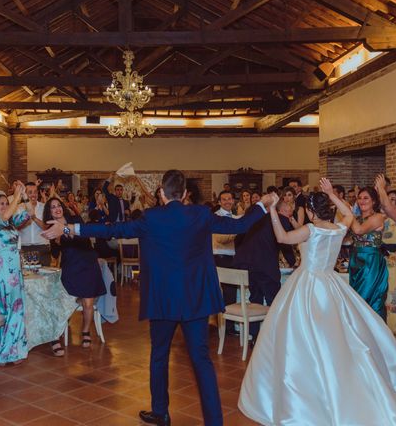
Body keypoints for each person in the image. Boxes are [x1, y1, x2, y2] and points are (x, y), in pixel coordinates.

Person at [43, 170, 272, 426]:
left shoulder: (150, 218)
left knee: (160, 354)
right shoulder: (200, 214)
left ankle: (161, 412)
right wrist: (262, 204)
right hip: (195, 299)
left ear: (162, 193)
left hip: (163, 299)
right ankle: (214, 421)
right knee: (201, 360)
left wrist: (71, 227)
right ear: (184, 194)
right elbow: (240, 224)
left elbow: (113, 230)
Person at [239, 178, 396, 426]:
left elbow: (281, 237)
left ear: (311, 211)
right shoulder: (338, 228)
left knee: (299, 334)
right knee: (336, 335)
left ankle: (309, 388)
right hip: (330, 284)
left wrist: (271, 210)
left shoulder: (310, 230)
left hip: (306, 285)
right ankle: (337, 381)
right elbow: (347, 213)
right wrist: (332, 194)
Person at [43, 197, 106, 357]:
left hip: (88, 262)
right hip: (71, 266)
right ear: (49, 212)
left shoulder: (75, 219)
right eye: (52, 207)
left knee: (88, 301)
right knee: (63, 302)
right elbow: (55, 253)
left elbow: (84, 238)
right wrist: (56, 242)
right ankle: (55, 336)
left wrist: (64, 229)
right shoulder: (51, 227)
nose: (57, 208)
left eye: (58, 205)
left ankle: (85, 331)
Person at [0, 183, 33, 365]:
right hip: (1, 270)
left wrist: (25, 196)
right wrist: (15, 196)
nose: (5, 206)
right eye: (1, 203)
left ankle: (12, 350)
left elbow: (29, 213)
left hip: (15, 269)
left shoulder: (11, 223)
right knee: (0, 309)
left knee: (17, 308)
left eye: (6, 203)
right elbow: (4, 217)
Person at [233, 199, 296, 340]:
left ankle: (254, 336)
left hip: (247, 263)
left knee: (255, 299)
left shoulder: (257, 217)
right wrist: (293, 262)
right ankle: (273, 337)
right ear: (282, 211)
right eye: (289, 213)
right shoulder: (281, 219)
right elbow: (286, 244)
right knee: (274, 301)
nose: (290, 217)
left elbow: (238, 237)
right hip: (266, 266)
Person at [375, 174, 396, 347]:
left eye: (393, 199)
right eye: (389, 198)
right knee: (379, 300)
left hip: (393, 262)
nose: (389, 201)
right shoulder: (381, 218)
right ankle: (382, 341)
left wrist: (382, 188)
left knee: (392, 303)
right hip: (380, 261)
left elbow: (385, 205)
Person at [349, 186, 387, 319]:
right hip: (356, 260)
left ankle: (375, 336)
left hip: (371, 261)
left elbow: (359, 231)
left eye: (366, 198)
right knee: (354, 300)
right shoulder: (357, 218)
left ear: (374, 202)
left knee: (367, 300)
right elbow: (350, 239)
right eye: (359, 198)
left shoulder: (377, 217)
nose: (362, 201)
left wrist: (349, 215)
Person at [213, 191, 240, 335]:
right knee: (222, 293)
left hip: (233, 258)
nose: (227, 202)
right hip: (220, 257)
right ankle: (221, 326)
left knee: (231, 294)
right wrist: (239, 229)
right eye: (224, 200)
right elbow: (220, 239)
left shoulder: (235, 217)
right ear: (219, 202)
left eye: (229, 199)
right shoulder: (216, 217)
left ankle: (229, 327)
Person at [18, 181, 51, 266]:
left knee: (44, 277)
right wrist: (27, 218)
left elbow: (46, 227)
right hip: (24, 247)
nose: (33, 195)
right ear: (24, 194)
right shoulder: (19, 208)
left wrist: (34, 218)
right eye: (30, 192)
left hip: (42, 247)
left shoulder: (44, 207)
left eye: (35, 192)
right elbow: (17, 227)